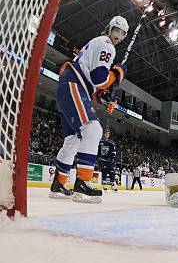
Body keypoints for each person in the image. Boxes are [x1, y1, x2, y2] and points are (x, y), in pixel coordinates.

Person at [49, 16, 128, 203]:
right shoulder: (106, 44)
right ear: (109, 29)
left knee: (73, 140)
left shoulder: (97, 42)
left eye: (122, 32)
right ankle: (83, 183)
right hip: (74, 86)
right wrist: (117, 74)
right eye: (117, 29)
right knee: (93, 129)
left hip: (69, 88)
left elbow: (95, 83)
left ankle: (58, 184)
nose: (119, 35)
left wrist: (106, 96)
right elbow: (100, 78)